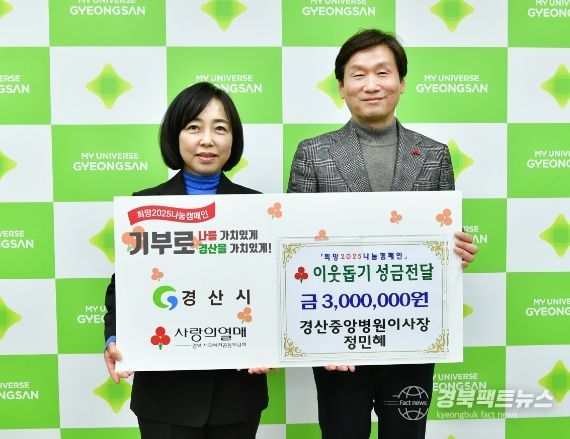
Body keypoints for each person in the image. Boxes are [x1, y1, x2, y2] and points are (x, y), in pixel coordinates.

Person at [287, 29, 479, 439]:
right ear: (341, 87)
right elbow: (294, 249)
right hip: (338, 339)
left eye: (382, 72)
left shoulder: (433, 154)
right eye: (358, 74)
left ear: (401, 82)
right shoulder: (313, 153)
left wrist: (455, 250)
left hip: (412, 334)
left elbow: (442, 239)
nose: (371, 84)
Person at [104, 82, 270, 439]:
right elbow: (124, 288)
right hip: (164, 397)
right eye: (194, 127)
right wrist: (114, 337)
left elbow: (271, 289)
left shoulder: (258, 208)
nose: (207, 140)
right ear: (175, 135)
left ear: (233, 139)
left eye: (220, 128)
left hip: (237, 395)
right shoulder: (143, 205)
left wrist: (272, 342)